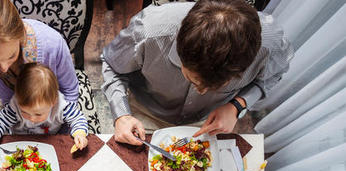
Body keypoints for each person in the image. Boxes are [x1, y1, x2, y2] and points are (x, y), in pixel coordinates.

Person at [101, 0, 293, 146]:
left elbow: (272, 76)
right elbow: (112, 65)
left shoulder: (271, 45)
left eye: (216, 87)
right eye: (191, 79)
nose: (201, 92)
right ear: (180, 48)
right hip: (146, 111)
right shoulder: (148, 32)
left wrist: (237, 105)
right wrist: (122, 116)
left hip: (207, 121)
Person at [0, 0, 80, 156]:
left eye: (12, 55)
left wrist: (62, 138)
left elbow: (70, 92)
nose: (5, 68)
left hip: (52, 114)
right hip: (15, 118)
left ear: (20, 35)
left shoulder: (52, 44)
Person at [0, 63, 88, 153]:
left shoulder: (62, 107)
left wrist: (80, 134)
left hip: (49, 141)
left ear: (53, 102)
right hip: (19, 143)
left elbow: (78, 118)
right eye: (25, 112)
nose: (32, 118)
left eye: (38, 114)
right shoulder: (15, 106)